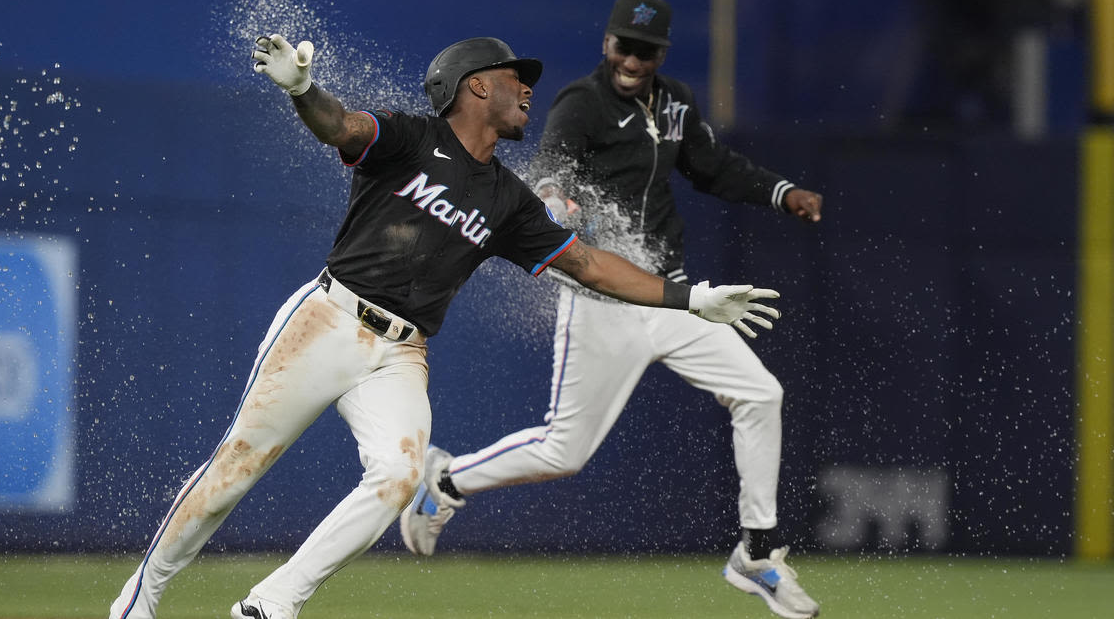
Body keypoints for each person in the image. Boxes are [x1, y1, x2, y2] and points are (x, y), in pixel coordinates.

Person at [108, 31, 783, 619]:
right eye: (516, 79)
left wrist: (690, 299)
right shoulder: (411, 137)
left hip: (402, 353)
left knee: (399, 478)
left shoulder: (508, 200)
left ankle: (275, 600)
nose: (527, 91)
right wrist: (303, 90)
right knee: (236, 469)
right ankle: (140, 596)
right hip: (330, 318)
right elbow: (342, 126)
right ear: (475, 85)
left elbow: (589, 266)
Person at [398, 0, 823, 619]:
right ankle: (446, 480)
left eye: (645, 50)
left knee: (761, 395)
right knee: (563, 453)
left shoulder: (673, 101)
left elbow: (712, 166)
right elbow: (551, 167)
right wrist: (554, 196)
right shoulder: (583, 103)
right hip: (605, 298)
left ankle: (755, 554)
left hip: (677, 297)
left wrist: (780, 191)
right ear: (607, 43)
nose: (632, 58)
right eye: (623, 44)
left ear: (662, 55)